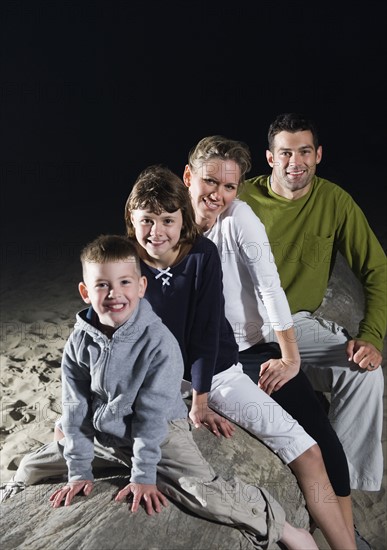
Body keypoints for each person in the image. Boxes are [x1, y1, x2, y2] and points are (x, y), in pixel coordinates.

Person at [0, 234, 319, 550]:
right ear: (85, 291)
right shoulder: (80, 340)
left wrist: (141, 475)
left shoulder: (157, 341)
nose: (114, 294)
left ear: (141, 287)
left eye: (125, 283)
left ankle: (287, 529)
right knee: (31, 466)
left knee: (202, 494)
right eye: (102, 285)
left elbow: (152, 413)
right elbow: (76, 402)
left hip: (161, 436)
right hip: (108, 435)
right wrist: (79, 469)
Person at [124, 164, 356, 549]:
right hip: (157, 383)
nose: (157, 231)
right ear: (131, 220)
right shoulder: (125, 259)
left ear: (183, 219)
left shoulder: (202, 254)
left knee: (308, 450)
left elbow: (205, 334)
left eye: (168, 219)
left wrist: (200, 400)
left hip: (218, 377)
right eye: (146, 220)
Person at [182, 134, 357, 540]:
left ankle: (349, 532)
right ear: (188, 176)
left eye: (228, 186)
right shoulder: (167, 224)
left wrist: (290, 358)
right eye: (209, 182)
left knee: (319, 439)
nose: (217, 194)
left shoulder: (239, 218)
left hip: (254, 349)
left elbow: (270, 288)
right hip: (208, 361)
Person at [238, 112, 386, 494]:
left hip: (296, 324)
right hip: (240, 325)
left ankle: (339, 493)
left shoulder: (334, 202)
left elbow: (377, 269)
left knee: (365, 375)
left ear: (318, 155)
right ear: (270, 158)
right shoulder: (241, 197)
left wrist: (372, 336)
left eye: (304, 152)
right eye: (285, 153)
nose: (295, 162)